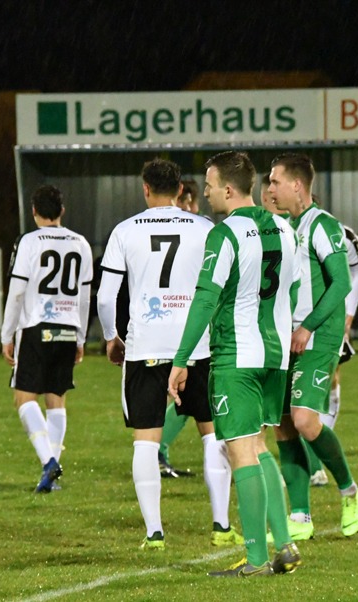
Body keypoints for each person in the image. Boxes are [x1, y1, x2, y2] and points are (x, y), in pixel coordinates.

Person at [168, 150, 302, 577]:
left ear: (228, 189)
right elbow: (293, 290)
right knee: (258, 447)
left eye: (209, 186)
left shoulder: (225, 235)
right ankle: (285, 544)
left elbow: (205, 298)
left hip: (237, 356)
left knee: (239, 451)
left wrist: (181, 359)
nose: (206, 193)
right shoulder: (285, 228)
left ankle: (257, 560)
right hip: (275, 356)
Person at [97, 158, 241, 550]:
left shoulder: (125, 230)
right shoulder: (205, 228)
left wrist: (111, 337)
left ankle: (155, 533)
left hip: (145, 344)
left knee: (145, 440)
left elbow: (106, 297)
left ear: (145, 188)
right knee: (212, 434)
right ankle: (221, 526)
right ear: (180, 190)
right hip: (197, 345)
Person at [267, 152, 358, 541]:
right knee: (284, 426)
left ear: (297, 185)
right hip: (284, 337)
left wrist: (307, 327)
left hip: (317, 336)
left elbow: (341, 283)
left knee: (306, 420)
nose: (270, 188)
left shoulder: (323, 225)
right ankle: (300, 517)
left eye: (275, 181)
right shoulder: (287, 227)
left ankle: (349, 491)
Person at [0, 185, 93, 493]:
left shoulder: (29, 242)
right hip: (67, 328)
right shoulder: (80, 243)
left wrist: (7, 334)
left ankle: (49, 462)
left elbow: (17, 292)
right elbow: (84, 297)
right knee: (56, 399)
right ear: (62, 210)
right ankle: (51, 476)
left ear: (34, 211)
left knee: (24, 398)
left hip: (36, 327)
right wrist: (80, 337)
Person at [306, 223, 358, 487]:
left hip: (327, 318)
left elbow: (356, 270)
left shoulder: (340, 234)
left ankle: (317, 455)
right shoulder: (278, 230)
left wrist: (348, 315)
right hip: (291, 319)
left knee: (328, 379)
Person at [157, 180, 201, 479]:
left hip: (161, 321)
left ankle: (157, 451)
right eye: (191, 202)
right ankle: (156, 450)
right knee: (189, 395)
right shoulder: (198, 230)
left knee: (181, 395)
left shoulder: (145, 227)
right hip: (188, 322)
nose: (194, 208)